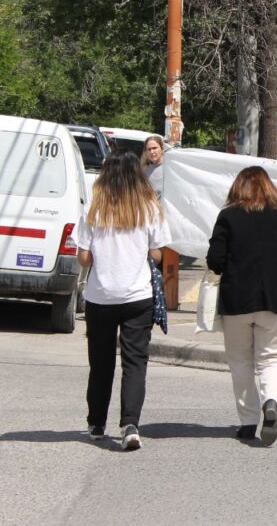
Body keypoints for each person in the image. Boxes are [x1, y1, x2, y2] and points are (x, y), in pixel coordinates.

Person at [77, 150, 171, 451]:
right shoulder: (149, 206)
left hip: (100, 295)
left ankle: (96, 423)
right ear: (136, 173)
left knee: (100, 362)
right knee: (135, 362)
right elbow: (158, 252)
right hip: (137, 295)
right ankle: (130, 424)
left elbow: (83, 257)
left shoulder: (95, 206)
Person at [206, 166, 277, 446]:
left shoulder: (228, 216)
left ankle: (248, 422)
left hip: (237, 299)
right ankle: (271, 401)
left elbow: (215, 259)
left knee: (241, 360)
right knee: (272, 358)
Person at [141, 135, 165, 200]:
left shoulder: (169, 168)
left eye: (154, 148)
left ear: (162, 148)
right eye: (149, 149)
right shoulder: (144, 171)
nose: (152, 152)